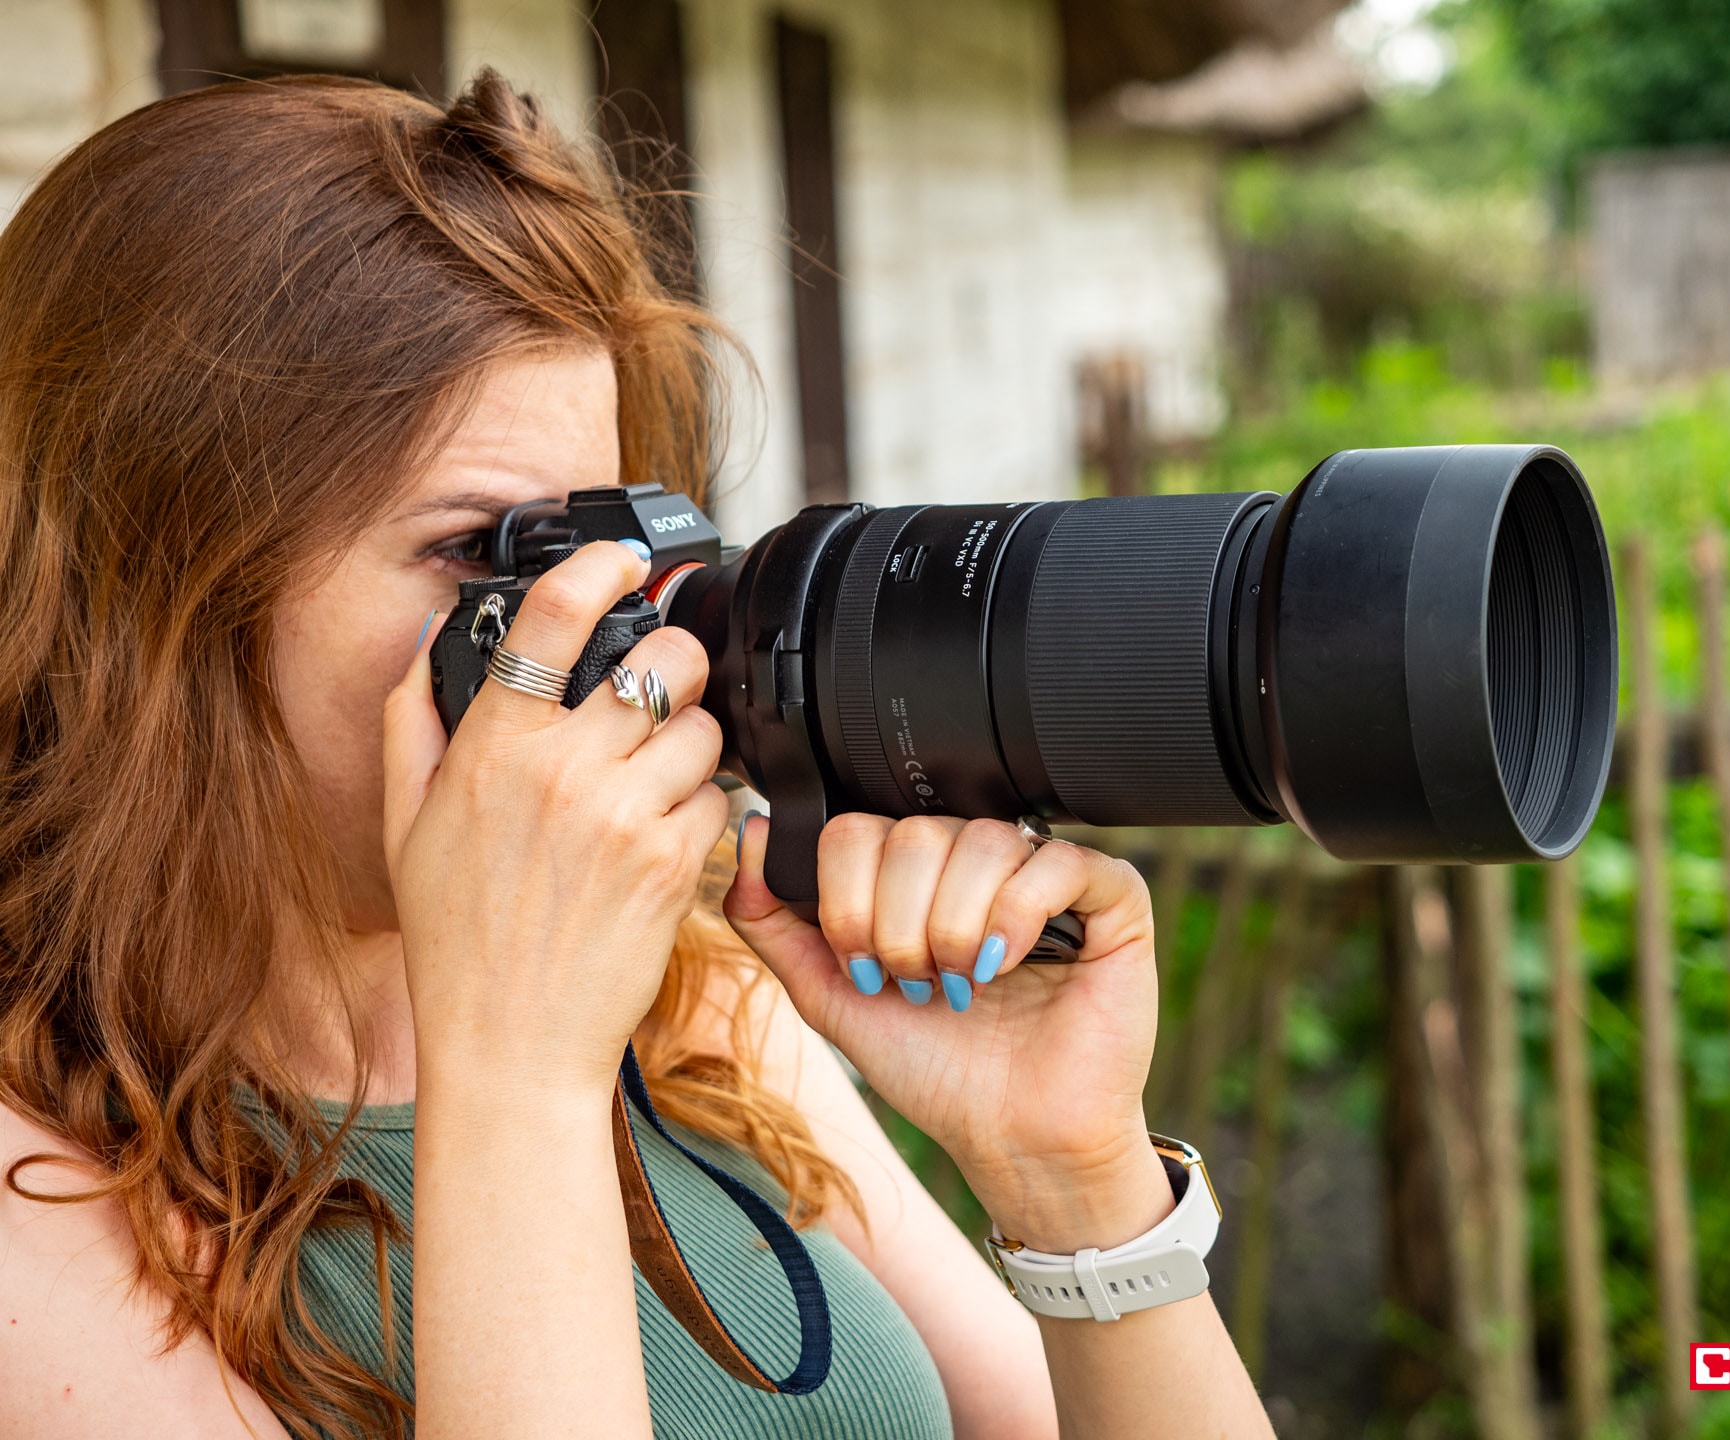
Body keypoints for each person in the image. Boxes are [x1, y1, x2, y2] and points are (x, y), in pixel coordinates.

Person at [0, 71, 1273, 1440]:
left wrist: (1075, 1189)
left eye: (602, 544)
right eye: (487, 558)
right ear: (145, 598)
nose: (598, 638)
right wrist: (518, 1075)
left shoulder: (685, 998)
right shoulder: (40, 1200)